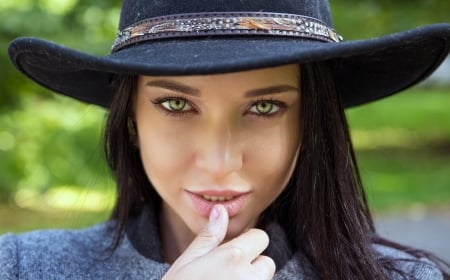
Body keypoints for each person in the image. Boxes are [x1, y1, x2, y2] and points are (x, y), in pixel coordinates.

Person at [1, 0, 449, 279]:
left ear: (310, 122)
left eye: (266, 107)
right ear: (131, 119)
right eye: (176, 105)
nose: (220, 163)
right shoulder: (22, 267)